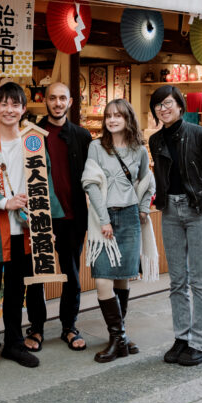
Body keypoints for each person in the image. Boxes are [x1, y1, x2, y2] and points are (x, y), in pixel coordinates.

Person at [0, 82, 63, 372]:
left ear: (23, 109)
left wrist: (45, 226)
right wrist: (4, 202)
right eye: (4, 104)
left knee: (16, 289)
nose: (9, 109)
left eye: (15, 104)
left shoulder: (32, 142)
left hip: (25, 231)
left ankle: (14, 343)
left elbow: (43, 184)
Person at [148, 85, 202, 367]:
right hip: (170, 211)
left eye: (168, 103)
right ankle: (182, 338)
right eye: (158, 105)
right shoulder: (155, 140)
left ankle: (200, 342)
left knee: (198, 279)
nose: (163, 109)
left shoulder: (200, 134)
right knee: (177, 280)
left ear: (180, 105)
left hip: (200, 210)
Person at [82, 99, 154, 362]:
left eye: (118, 116)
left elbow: (148, 180)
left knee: (123, 277)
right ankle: (119, 337)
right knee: (102, 279)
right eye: (109, 116)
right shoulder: (96, 147)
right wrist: (104, 220)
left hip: (130, 217)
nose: (112, 120)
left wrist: (144, 208)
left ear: (128, 119)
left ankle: (118, 338)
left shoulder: (139, 150)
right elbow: (90, 185)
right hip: (105, 218)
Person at [25, 81, 91, 352]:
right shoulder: (31, 134)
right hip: (40, 216)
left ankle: (69, 326)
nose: (57, 103)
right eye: (52, 98)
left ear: (70, 102)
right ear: (46, 101)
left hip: (73, 216)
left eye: (63, 98)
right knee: (37, 275)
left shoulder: (82, 136)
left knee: (72, 275)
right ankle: (37, 327)